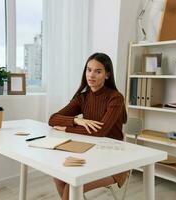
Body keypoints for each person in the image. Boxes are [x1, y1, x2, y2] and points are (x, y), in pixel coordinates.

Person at [48, 52, 128, 200]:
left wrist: (67, 128)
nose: (91, 75)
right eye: (88, 70)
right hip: (89, 153)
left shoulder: (115, 98)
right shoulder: (82, 97)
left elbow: (100, 132)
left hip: (115, 159)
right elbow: (52, 119)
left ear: (107, 75)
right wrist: (77, 120)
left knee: (71, 189)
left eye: (98, 71)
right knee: (58, 178)